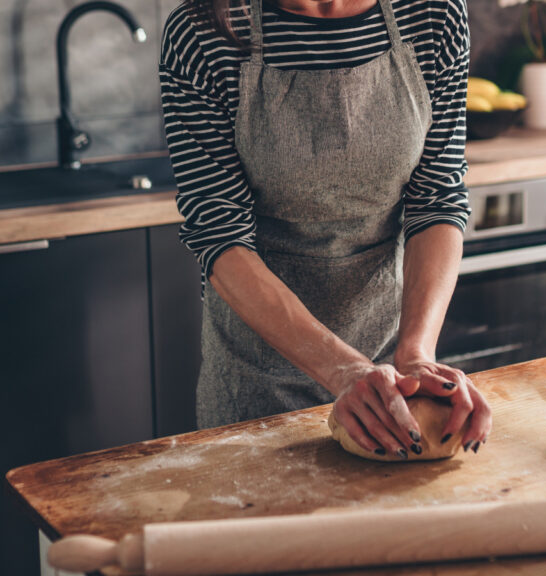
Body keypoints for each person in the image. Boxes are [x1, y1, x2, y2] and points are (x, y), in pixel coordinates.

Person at [159, 0, 492, 458]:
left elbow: (436, 199)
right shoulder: (202, 31)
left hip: (393, 372)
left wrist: (416, 357)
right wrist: (343, 371)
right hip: (257, 384)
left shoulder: (433, 12)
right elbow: (221, 236)